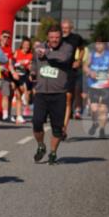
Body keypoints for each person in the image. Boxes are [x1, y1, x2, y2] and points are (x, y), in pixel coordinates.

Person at [30, 26, 75, 164]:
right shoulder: (39, 47)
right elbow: (34, 61)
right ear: (47, 37)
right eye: (51, 37)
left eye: (57, 37)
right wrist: (33, 72)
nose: (54, 40)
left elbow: (63, 58)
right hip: (41, 92)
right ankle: (41, 146)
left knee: (57, 127)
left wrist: (47, 53)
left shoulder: (67, 48)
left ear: (61, 37)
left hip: (59, 93)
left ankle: (53, 152)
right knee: (37, 122)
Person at [84, 37, 109, 138]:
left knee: (103, 108)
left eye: (101, 44)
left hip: (106, 84)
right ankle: (95, 123)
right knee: (94, 108)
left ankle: (102, 129)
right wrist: (89, 72)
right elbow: (85, 66)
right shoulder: (91, 55)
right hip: (93, 84)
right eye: (97, 44)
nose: (98, 46)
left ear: (104, 45)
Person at [12, 37, 34, 124]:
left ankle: (19, 115)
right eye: (25, 44)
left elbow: (30, 66)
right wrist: (18, 63)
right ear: (22, 45)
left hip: (25, 76)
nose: (26, 46)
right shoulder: (17, 52)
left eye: (28, 45)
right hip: (16, 75)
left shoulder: (30, 55)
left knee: (20, 94)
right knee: (18, 94)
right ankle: (18, 115)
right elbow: (12, 63)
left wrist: (29, 67)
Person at [0, 30, 16, 122]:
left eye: (8, 37)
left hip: (5, 76)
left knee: (6, 95)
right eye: (5, 36)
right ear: (0, 37)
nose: (6, 39)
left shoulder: (9, 49)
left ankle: (5, 115)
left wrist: (13, 73)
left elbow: (10, 64)